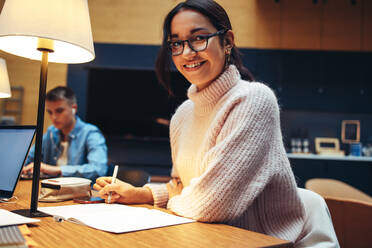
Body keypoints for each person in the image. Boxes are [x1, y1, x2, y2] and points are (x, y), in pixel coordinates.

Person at [94, 1, 339, 246]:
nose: (187, 52)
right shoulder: (183, 115)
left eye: (199, 38)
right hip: (206, 239)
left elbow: (212, 204)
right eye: (176, 43)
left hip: (265, 242)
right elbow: (182, 187)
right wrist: (141, 194)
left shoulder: (254, 100)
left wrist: (178, 199)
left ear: (227, 41)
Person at [23, 86, 108, 181]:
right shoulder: (51, 132)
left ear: (74, 108)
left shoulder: (91, 133)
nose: (54, 117)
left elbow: (99, 169)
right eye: (50, 112)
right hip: (51, 191)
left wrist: (55, 170)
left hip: (80, 193)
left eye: (59, 111)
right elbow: (28, 157)